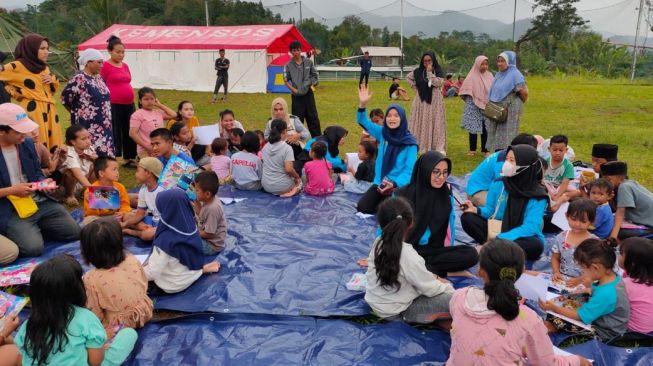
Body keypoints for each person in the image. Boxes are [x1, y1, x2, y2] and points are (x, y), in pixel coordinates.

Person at [447, 239, 589, 366]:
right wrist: (579, 361)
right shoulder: (528, 319)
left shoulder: (459, 297)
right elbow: (547, 363)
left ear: (480, 271)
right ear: (521, 272)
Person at [14, 255, 138, 366]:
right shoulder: (86, 318)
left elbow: (22, 361)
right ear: (76, 289)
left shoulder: (28, 326)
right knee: (129, 334)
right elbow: (96, 362)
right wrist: (98, 345)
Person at [0, 103, 80, 257]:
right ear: (2, 131)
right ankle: (25, 231)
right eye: (19, 132)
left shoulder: (27, 143)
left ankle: (33, 228)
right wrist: (11, 191)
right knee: (33, 249)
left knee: (74, 232)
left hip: (38, 201)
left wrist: (44, 183)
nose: (25, 136)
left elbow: (37, 173)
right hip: (10, 209)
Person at [364, 197, 454, 324]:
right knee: (456, 299)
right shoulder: (408, 255)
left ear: (380, 223)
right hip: (398, 312)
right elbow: (431, 289)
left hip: (375, 304)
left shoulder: (378, 242)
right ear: (411, 223)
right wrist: (447, 286)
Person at [395, 151, 479, 277]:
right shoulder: (402, 195)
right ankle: (440, 271)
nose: (441, 177)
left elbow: (449, 228)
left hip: (434, 249)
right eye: (436, 171)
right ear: (425, 170)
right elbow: (387, 228)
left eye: (445, 172)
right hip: (408, 249)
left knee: (471, 254)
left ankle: (425, 269)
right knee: (402, 259)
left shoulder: (445, 194)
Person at [461, 144, 548, 261]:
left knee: (535, 245)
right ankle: (496, 249)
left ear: (526, 166)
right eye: (506, 159)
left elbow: (529, 227)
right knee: (468, 218)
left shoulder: (538, 195)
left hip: (517, 236)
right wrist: (475, 210)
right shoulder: (499, 183)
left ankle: (491, 248)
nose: (506, 164)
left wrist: (500, 238)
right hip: (498, 228)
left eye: (512, 160)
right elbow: (490, 211)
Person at [540, 238, 629, 341]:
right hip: (601, 318)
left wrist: (555, 308)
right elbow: (596, 291)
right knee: (569, 301)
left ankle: (552, 327)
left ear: (595, 268)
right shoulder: (612, 276)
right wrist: (587, 289)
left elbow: (580, 316)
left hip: (606, 333)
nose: (583, 272)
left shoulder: (607, 293)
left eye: (583, 269)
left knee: (557, 316)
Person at [81, 218, 153, 329]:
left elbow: (95, 313)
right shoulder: (131, 259)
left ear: (88, 251)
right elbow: (143, 284)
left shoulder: (90, 278)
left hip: (120, 325)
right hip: (144, 311)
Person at [356, 85, 418, 214]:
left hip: (398, 186)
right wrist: (362, 104)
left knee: (387, 213)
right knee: (363, 207)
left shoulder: (410, 143)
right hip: (380, 182)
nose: (392, 119)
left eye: (396, 116)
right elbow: (363, 121)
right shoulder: (383, 133)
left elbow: (409, 171)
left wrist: (395, 183)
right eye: (389, 115)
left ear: (402, 118)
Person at [144, 188, 220, 294]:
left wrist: (134, 272)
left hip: (173, 284)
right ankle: (201, 270)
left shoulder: (165, 239)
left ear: (166, 210)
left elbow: (153, 273)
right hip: (191, 274)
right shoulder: (191, 226)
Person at [0, 34, 62, 149]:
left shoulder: (44, 67)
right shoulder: (17, 66)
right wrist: (12, 90)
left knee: (54, 143)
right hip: (34, 110)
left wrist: (52, 79)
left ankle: (52, 165)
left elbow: (51, 90)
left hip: (50, 110)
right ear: (31, 49)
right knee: (37, 142)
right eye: (42, 49)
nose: (46, 52)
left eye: (47, 49)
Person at [62, 48, 114, 158]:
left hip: (104, 124)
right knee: (89, 155)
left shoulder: (99, 78)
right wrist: (77, 112)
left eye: (102, 62)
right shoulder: (79, 78)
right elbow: (65, 98)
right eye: (98, 62)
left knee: (104, 156)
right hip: (87, 125)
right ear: (88, 62)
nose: (101, 65)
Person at [465, 133, 537, 207]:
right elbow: (503, 186)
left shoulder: (519, 159)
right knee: (503, 208)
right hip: (478, 191)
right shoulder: (504, 162)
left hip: (490, 189)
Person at [101, 35, 137, 166]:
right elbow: (101, 83)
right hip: (113, 104)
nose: (121, 55)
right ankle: (113, 156)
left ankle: (129, 157)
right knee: (115, 130)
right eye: (118, 52)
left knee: (130, 129)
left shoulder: (125, 66)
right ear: (110, 51)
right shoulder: (104, 66)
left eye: (123, 52)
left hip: (129, 103)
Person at [485, 51, 528, 152]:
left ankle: (506, 152)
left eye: (503, 61)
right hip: (497, 109)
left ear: (509, 62)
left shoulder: (515, 75)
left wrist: (515, 104)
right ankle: (497, 151)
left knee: (507, 130)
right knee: (496, 131)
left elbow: (524, 93)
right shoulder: (499, 74)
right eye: (498, 61)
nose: (499, 63)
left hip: (510, 109)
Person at [551, 198, 598, 287]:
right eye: (573, 219)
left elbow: (596, 269)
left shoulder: (594, 242)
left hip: (584, 282)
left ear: (591, 222)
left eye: (583, 221)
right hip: (563, 279)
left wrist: (579, 280)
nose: (577, 224)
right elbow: (555, 258)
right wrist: (556, 272)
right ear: (566, 216)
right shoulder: (561, 237)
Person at [407, 51, 447, 154]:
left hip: (435, 101)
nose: (427, 62)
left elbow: (438, 83)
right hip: (421, 101)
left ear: (433, 60)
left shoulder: (437, 70)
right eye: (425, 61)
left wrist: (429, 73)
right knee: (421, 121)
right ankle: (420, 143)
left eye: (429, 60)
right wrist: (415, 88)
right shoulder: (418, 71)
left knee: (436, 122)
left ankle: (436, 146)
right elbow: (408, 77)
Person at [601, 161, 653, 239]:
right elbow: (615, 209)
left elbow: (620, 212)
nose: (605, 182)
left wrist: (613, 236)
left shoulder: (624, 187)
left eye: (608, 179)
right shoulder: (629, 183)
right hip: (643, 222)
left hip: (649, 227)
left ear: (621, 178)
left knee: (615, 230)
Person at [121, 157, 164, 241]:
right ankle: (145, 229)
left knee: (149, 235)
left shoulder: (162, 190)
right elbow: (140, 214)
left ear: (148, 173)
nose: (135, 174)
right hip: (152, 221)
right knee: (127, 216)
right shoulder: (143, 189)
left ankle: (135, 232)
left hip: (164, 224)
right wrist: (124, 224)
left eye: (137, 171)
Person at [284, 40, 321, 137]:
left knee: (313, 118)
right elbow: (285, 80)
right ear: (291, 52)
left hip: (308, 94)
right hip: (296, 97)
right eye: (293, 50)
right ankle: (299, 143)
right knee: (297, 120)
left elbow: (314, 76)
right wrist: (293, 89)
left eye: (297, 50)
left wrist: (310, 83)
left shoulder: (308, 62)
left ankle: (318, 142)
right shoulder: (288, 65)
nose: (295, 52)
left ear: (301, 50)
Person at [459, 55, 494, 156]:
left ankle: (485, 150)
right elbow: (465, 91)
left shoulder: (490, 75)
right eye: (482, 64)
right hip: (473, 105)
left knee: (486, 127)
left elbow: (493, 89)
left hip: (487, 105)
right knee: (473, 127)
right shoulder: (471, 76)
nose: (484, 66)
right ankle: (472, 149)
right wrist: (472, 99)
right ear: (477, 64)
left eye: (486, 64)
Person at [129, 87, 177, 158]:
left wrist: (159, 105)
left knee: (177, 159)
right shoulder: (137, 115)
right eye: (146, 99)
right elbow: (132, 133)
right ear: (140, 101)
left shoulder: (158, 112)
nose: (150, 101)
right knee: (155, 166)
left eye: (152, 99)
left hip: (162, 148)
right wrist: (147, 147)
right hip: (145, 150)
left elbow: (174, 114)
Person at [618, 237, 653, 334]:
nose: (618, 256)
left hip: (632, 331)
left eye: (621, 254)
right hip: (650, 330)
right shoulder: (647, 279)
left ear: (632, 264)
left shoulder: (627, 284)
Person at [82, 157, 131, 225]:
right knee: (89, 221)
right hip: (99, 218)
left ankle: (119, 227)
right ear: (101, 173)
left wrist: (123, 212)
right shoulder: (90, 191)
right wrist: (92, 204)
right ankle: (118, 228)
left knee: (130, 216)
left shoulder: (120, 187)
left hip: (115, 217)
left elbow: (125, 204)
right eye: (114, 169)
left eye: (117, 169)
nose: (117, 172)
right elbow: (91, 214)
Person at [261, 119, 301, 197]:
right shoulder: (287, 148)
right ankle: (290, 193)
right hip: (283, 187)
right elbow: (289, 169)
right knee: (300, 183)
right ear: (284, 131)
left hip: (266, 186)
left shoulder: (265, 147)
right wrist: (297, 177)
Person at [60, 125, 96, 205]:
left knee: (96, 166)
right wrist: (95, 193)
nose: (88, 141)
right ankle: (69, 196)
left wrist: (96, 160)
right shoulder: (68, 152)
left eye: (88, 137)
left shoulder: (89, 148)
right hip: (69, 185)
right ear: (73, 142)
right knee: (70, 172)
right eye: (83, 139)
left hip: (84, 182)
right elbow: (78, 174)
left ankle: (84, 193)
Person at [193, 171, 228, 255]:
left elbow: (209, 234)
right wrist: (195, 200)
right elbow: (200, 213)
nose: (194, 191)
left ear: (207, 194)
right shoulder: (209, 199)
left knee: (185, 243)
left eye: (197, 190)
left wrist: (193, 233)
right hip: (204, 230)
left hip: (211, 245)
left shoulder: (213, 208)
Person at [543, 135, 576, 211]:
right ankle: (555, 202)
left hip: (561, 186)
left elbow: (565, 183)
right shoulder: (544, 161)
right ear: (549, 149)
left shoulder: (568, 165)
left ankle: (562, 198)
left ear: (566, 150)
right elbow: (540, 178)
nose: (557, 153)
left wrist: (557, 196)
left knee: (577, 192)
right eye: (554, 150)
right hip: (547, 185)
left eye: (561, 150)